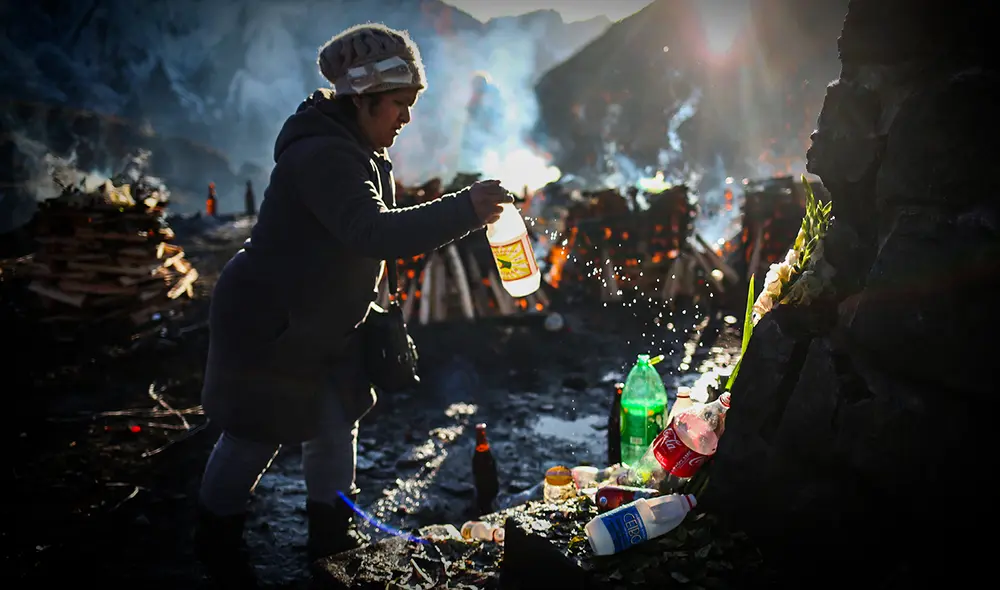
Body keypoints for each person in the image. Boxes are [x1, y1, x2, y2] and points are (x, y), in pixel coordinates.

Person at [193, 23, 513, 586]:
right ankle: (215, 546)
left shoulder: (357, 149)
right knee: (252, 436)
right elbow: (371, 232)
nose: (406, 118)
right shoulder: (322, 156)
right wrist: (465, 208)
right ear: (362, 99)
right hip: (272, 323)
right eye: (399, 104)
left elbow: (361, 246)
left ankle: (331, 540)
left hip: (323, 326)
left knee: (334, 427)